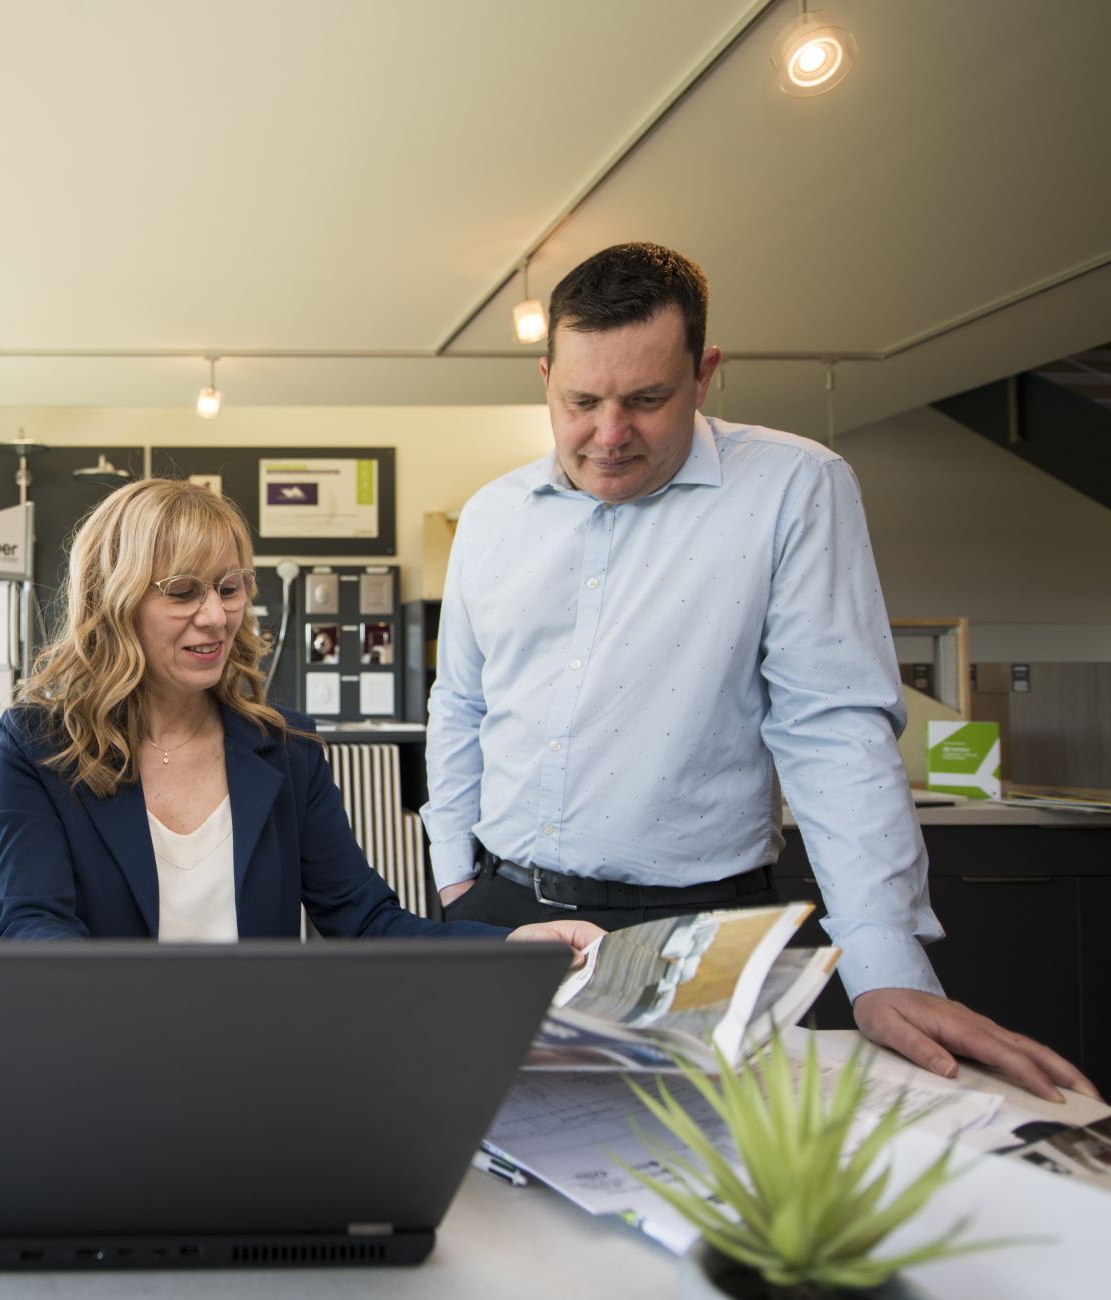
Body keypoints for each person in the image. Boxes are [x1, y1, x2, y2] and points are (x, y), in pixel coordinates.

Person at [423, 242, 1095, 1101]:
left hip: (702, 927)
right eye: (581, 400)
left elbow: (833, 731)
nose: (609, 434)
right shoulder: (491, 517)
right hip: (504, 916)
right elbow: (463, 704)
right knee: (487, 1185)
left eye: (647, 399)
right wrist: (456, 884)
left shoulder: (795, 487)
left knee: (705, 1187)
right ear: (547, 376)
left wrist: (884, 964)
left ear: (704, 375)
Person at [0, 476, 600, 955]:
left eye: (229, 588)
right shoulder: (40, 745)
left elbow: (367, 922)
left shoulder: (285, 748)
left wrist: (512, 945)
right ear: (114, 601)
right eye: (182, 592)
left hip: (258, 1060)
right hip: (106, 1057)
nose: (215, 617)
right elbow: (33, 924)